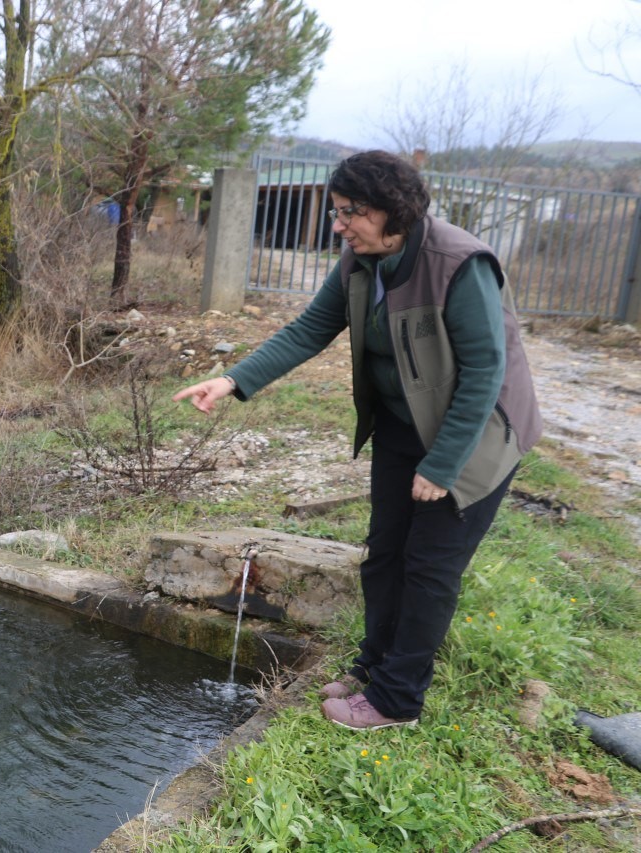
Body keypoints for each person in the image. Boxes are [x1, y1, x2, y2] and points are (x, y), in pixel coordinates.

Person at [174, 150, 541, 730]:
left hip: (478, 433)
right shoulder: (358, 260)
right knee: (385, 553)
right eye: (338, 211)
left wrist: (443, 464)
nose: (339, 224)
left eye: (351, 212)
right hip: (402, 423)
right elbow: (309, 329)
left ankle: (397, 701)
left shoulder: (458, 263)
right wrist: (232, 379)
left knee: (429, 566)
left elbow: (484, 373)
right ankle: (375, 667)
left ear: (393, 211)